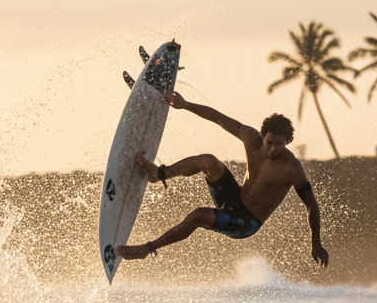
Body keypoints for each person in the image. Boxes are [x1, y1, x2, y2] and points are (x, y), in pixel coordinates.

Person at [115, 95, 328, 268]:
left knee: (199, 215)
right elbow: (218, 118)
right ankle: (159, 174)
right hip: (235, 196)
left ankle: (147, 249)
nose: (272, 149)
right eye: (269, 142)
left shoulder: (292, 168)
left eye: (279, 144)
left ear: (288, 142)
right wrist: (185, 104)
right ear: (262, 136)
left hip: (247, 221)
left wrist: (316, 242)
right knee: (209, 161)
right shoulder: (250, 137)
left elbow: (311, 204)